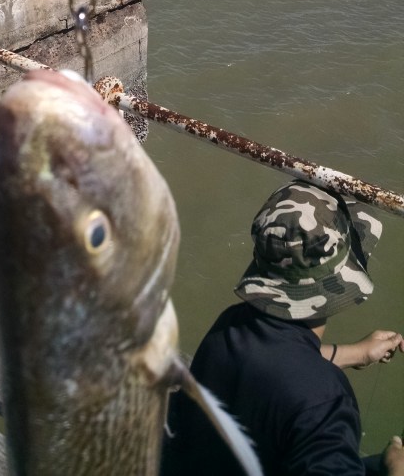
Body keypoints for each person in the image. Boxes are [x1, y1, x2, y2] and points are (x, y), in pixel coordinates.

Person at [160, 180, 404, 476]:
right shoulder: (325, 403)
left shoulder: (230, 327)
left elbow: (280, 366)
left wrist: (357, 354)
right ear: (338, 282)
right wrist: (395, 468)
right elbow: (296, 381)